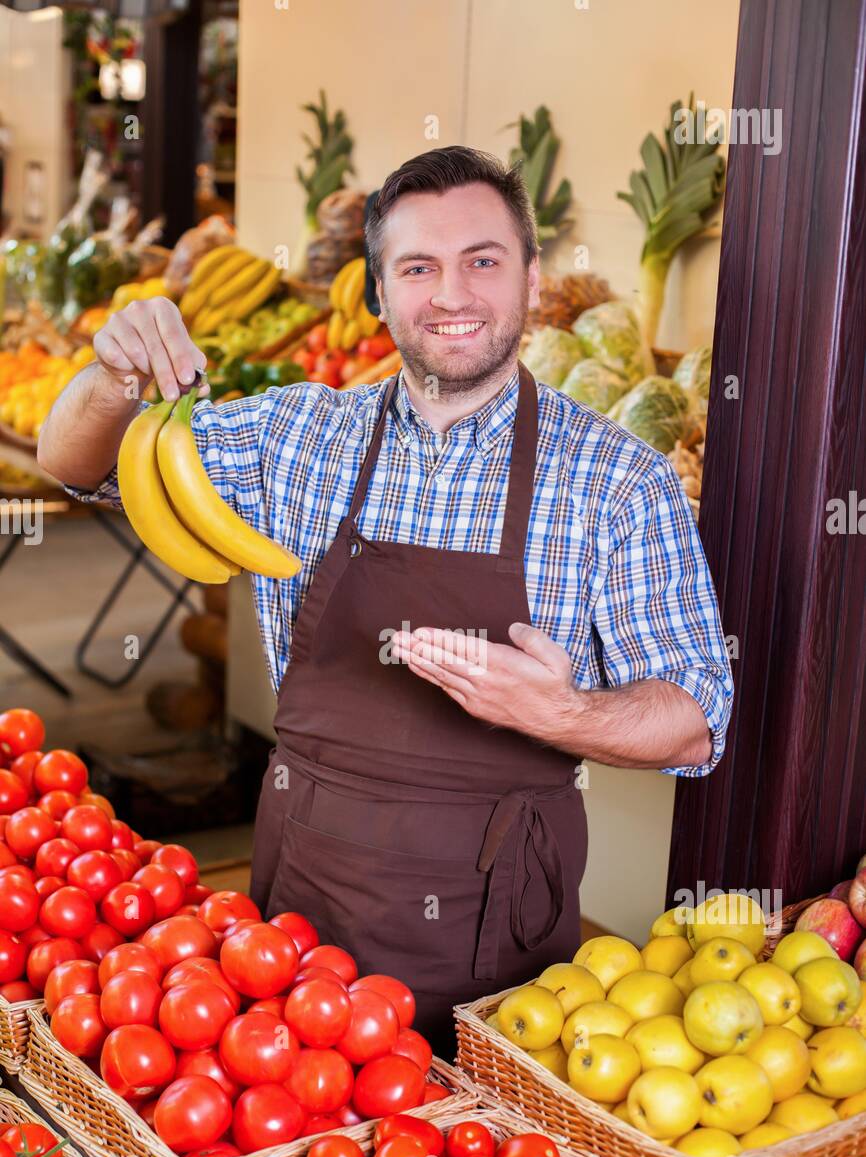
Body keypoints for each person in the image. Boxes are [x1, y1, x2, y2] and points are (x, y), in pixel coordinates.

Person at [39, 146, 733, 1059]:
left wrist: (561, 712)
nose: (452, 295)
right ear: (377, 292)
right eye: (418, 267)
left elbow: (696, 719)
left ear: (531, 277)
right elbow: (73, 465)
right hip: (294, 925)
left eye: (483, 260)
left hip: (499, 950)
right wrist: (112, 374)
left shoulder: (617, 481)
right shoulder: (295, 434)